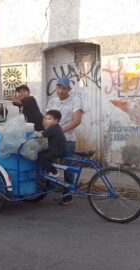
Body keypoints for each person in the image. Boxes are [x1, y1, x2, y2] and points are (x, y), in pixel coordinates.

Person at [46, 77, 84, 205]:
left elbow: (77, 120)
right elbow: (46, 119)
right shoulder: (52, 102)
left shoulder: (75, 101)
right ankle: (49, 186)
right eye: (59, 87)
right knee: (45, 160)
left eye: (64, 88)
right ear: (56, 88)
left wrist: (59, 131)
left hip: (67, 140)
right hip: (51, 140)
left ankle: (67, 195)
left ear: (69, 89)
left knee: (68, 167)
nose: (61, 90)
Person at [35, 110, 67, 176]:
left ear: (56, 120)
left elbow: (42, 135)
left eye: (49, 119)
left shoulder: (53, 128)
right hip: (58, 149)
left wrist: (36, 134)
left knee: (41, 157)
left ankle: (54, 172)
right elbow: (45, 133)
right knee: (41, 153)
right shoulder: (57, 127)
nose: (46, 121)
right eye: (46, 118)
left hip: (57, 151)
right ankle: (47, 170)